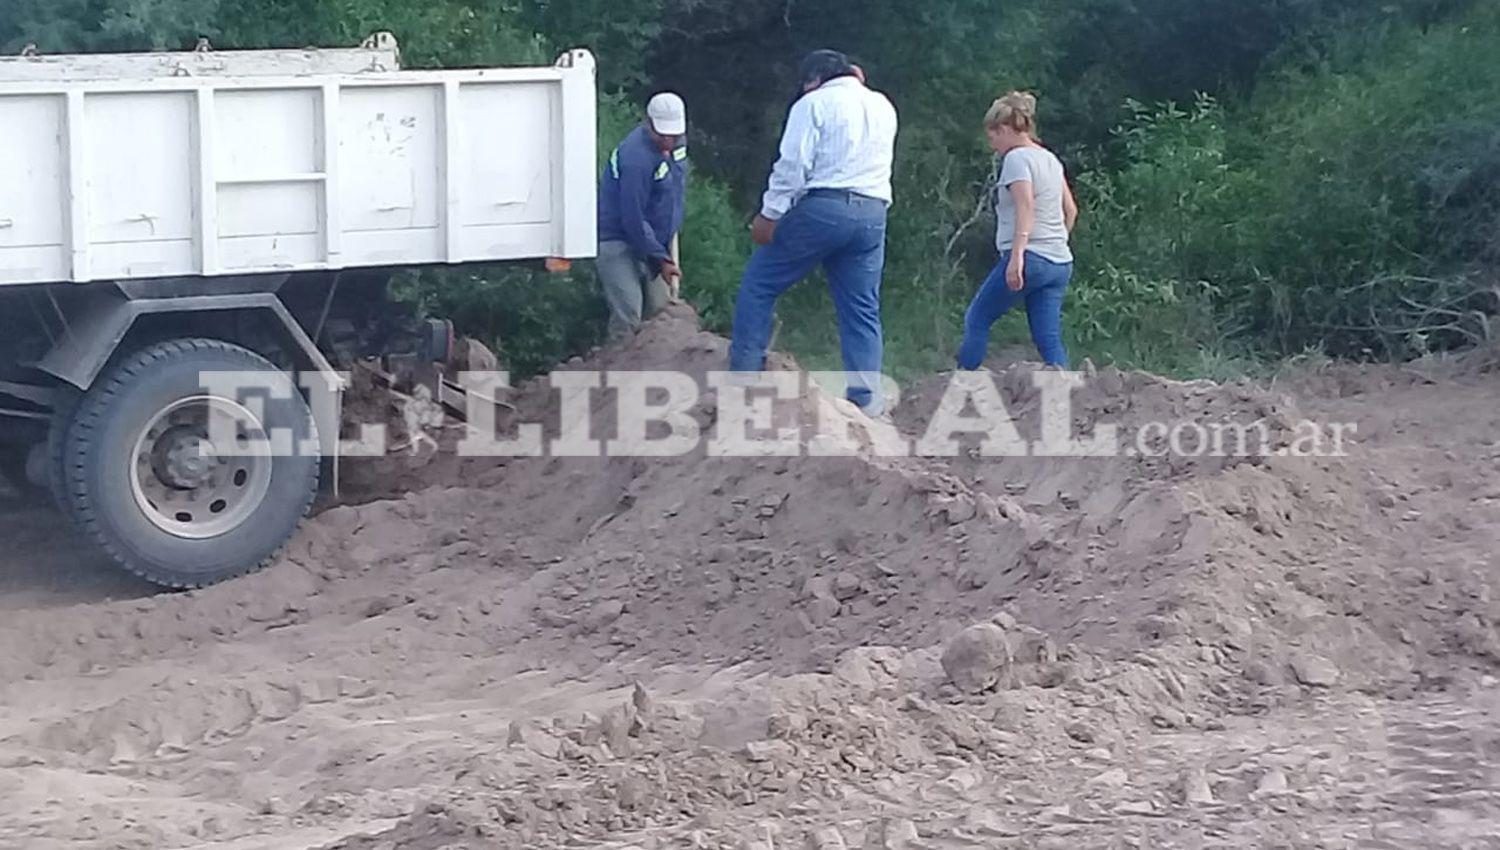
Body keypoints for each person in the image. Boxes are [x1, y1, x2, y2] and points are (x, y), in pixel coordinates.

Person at [729, 50, 898, 416]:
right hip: (873, 213)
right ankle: (867, 401)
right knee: (862, 308)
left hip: (825, 206)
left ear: (815, 79)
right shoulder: (883, 104)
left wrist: (769, 215)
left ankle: (742, 380)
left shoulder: (814, 104)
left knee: (760, 283)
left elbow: (793, 165)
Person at [956, 91, 1079, 370]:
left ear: (1005, 129)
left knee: (978, 317)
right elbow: (1070, 210)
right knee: (1048, 337)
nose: (993, 144)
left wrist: (1017, 257)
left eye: (993, 136)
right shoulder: (1049, 158)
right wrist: (1057, 241)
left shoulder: (1016, 159)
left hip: (1030, 257)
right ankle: (1068, 394)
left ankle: (963, 383)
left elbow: (1025, 208)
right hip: (1059, 260)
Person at [597, 92, 690, 342]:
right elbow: (633, 219)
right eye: (663, 135)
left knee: (663, 313)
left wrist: (667, 238)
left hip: (656, 242)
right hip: (617, 239)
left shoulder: (678, 144)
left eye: (674, 135)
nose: (669, 141)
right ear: (648, 123)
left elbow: (675, 188)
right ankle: (617, 373)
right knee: (629, 313)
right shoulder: (635, 158)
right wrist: (662, 259)